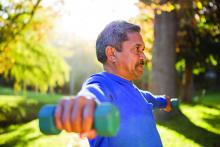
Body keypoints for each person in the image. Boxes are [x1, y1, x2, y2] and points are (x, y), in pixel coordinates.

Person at [55, 20, 172, 147]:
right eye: (137, 49)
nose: (143, 56)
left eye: (143, 50)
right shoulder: (102, 84)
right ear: (112, 54)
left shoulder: (136, 91)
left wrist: (165, 102)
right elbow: (93, 94)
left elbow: (152, 99)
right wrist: (86, 104)